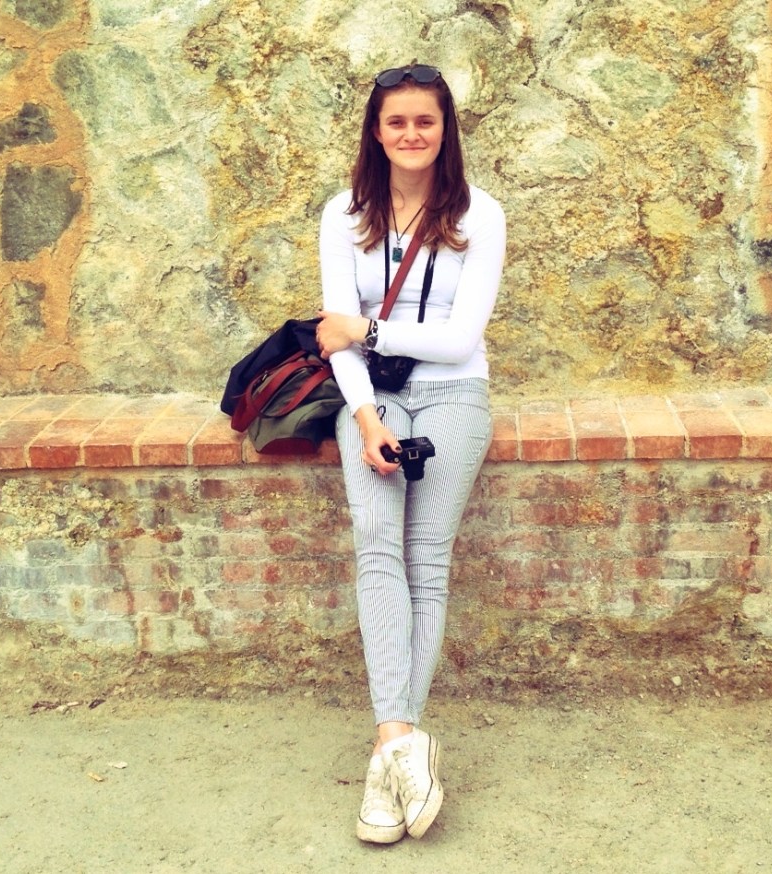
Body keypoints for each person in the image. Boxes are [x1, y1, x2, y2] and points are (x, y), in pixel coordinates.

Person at [315, 63, 506, 843]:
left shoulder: (481, 214)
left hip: (456, 395)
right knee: (375, 544)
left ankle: (388, 750)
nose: (411, 134)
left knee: (426, 557)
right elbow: (334, 339)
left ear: (444, 129)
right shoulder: (344, 213)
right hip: (374, 400)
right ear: (376, 131)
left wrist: (370, 327)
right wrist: (363, 419)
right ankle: (401, 743)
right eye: (396, 122)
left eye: (425, 121)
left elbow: (461, 339)